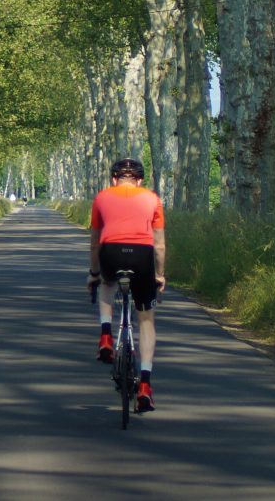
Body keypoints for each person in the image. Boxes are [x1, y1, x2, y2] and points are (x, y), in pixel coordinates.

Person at [86, 158, 166, 412]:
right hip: (142, 256)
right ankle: (144, 385)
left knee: (107, 284)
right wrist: (160, 275)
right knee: (145, 319)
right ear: (140, 180)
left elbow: (95, 243)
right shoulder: (153, 199)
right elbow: (160, 245)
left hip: (111, 252)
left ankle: (107, 335)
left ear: (114, 179)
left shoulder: (101, 198)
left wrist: (94, 273)